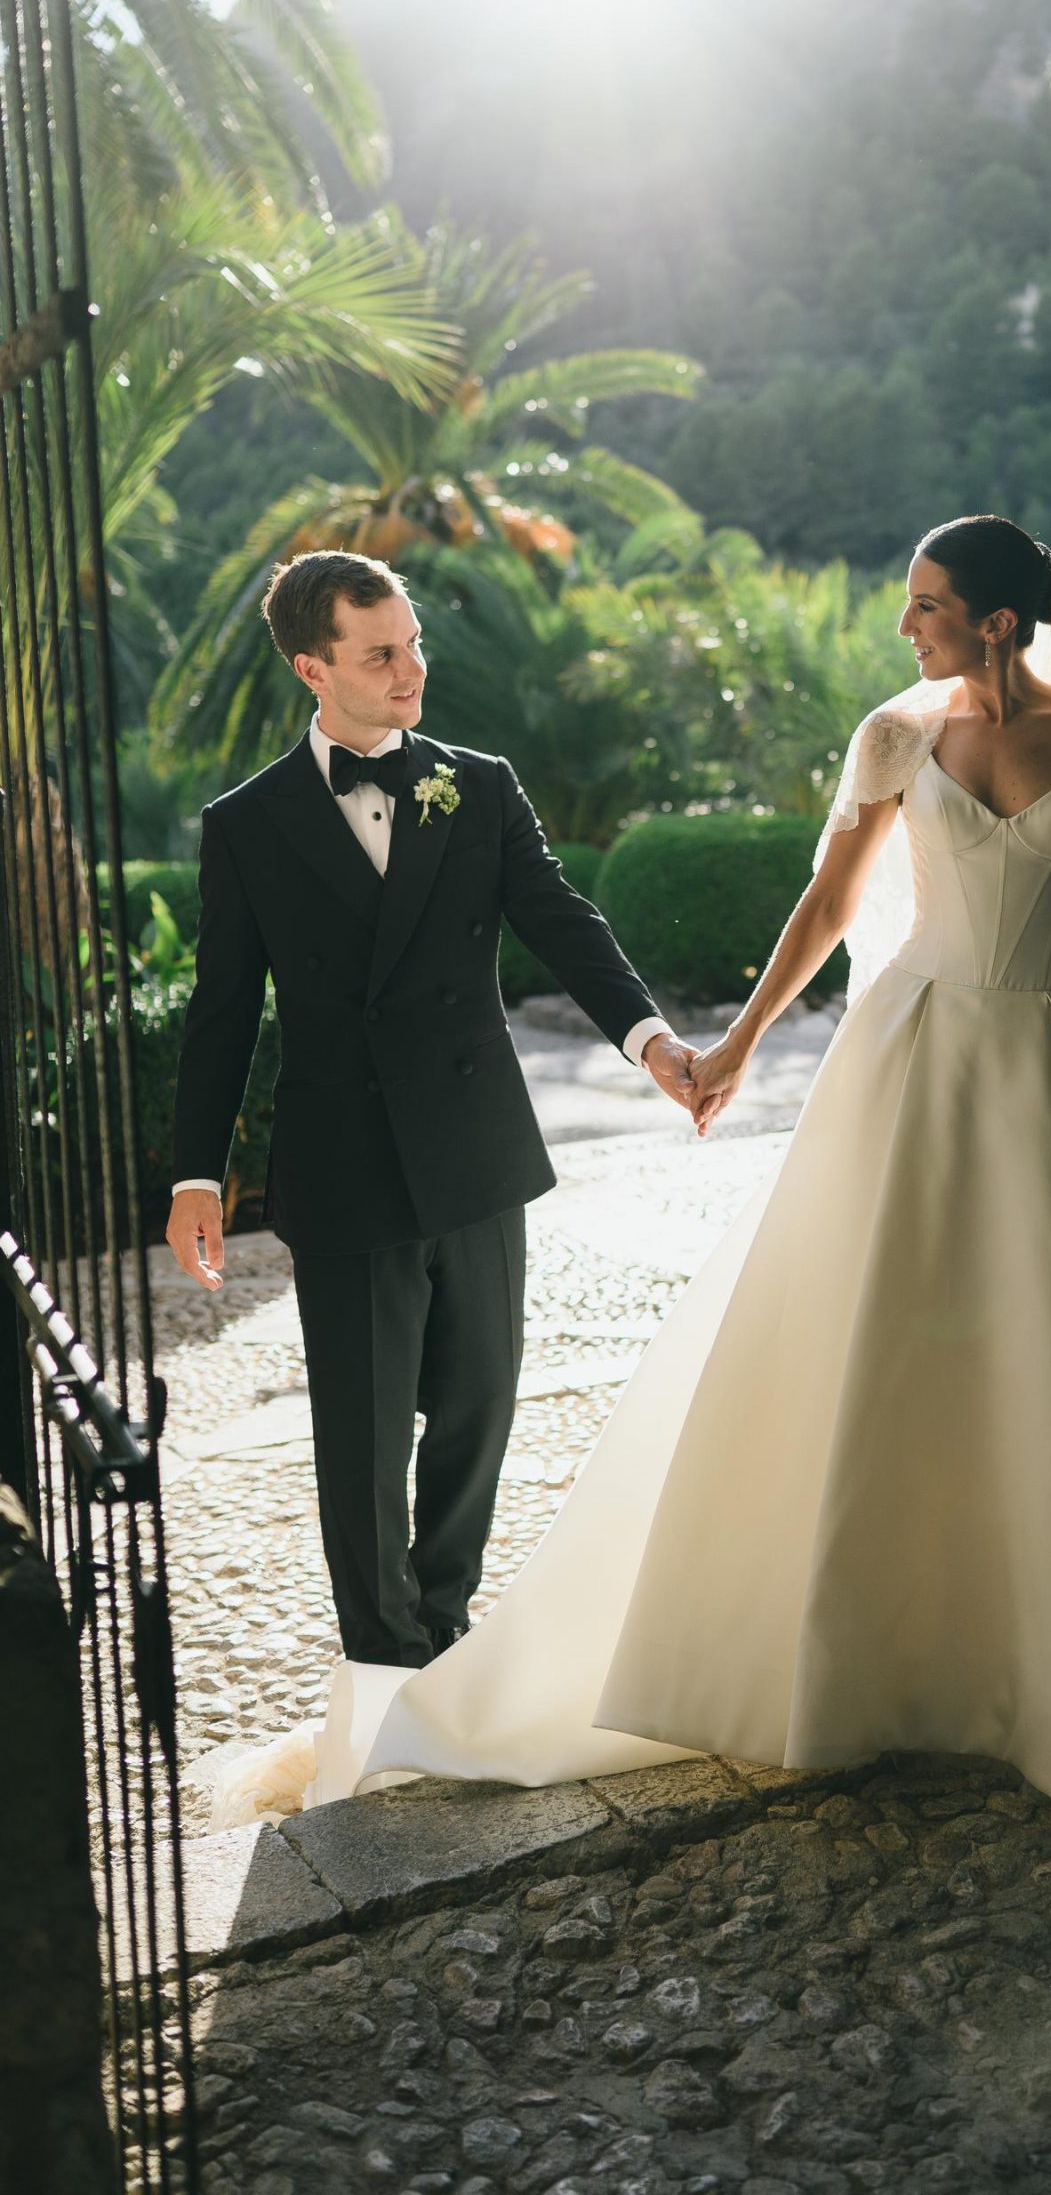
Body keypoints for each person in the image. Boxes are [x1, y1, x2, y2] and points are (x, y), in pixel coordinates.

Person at [217, 514, 1051, 1824]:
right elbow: (830, 906)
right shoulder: (896, 739)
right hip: (907, 1054)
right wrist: (725, 1046)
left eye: (927, 606)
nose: (905, 627)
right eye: (908, 604)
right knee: (869, 1337)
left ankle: (1038, 1661)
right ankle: (829, 1658)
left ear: (996, 622)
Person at [169, 549, 701, 1676]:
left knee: (477, 1405)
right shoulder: (247, 824)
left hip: (475, 1146)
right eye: (381, 653)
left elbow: (561, 920)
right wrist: (195, 1176)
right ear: (314, 667)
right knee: (361, 1435)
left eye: (413, 644)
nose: (412, 669)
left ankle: (445, 1621)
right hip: (346, 1159)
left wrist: (648, 1038)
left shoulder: (481, 783)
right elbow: (221, 1011)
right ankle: (384, 1654)